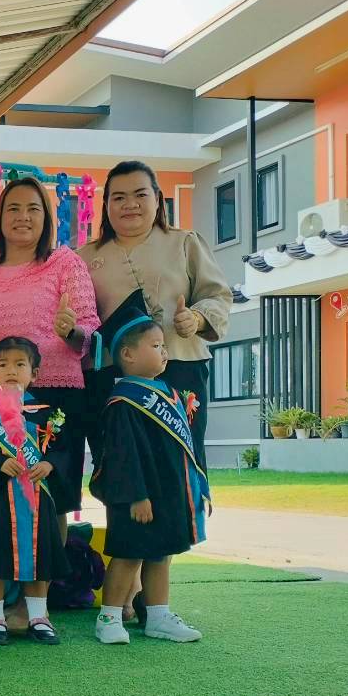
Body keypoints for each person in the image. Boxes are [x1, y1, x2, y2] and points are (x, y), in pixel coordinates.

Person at [0, 178, 99, 543]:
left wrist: (70, 330)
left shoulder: (65, 263)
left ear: (46, 218)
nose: (22, 217)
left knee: (51, 496)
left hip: (54, 394)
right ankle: (1, 577)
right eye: (13, 208)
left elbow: (89, 331)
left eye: (32, 209)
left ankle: (49, 576)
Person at [80, 160, 231, 471]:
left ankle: (187, 505)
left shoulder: (185, 242)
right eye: (119, 197)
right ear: (106, 205)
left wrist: (197, 318)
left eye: (140, 194)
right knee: (121, 466)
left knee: (180, 464)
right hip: (111, 375)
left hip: (178, 365)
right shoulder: (84, 257)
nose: (130, 204)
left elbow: (218, 295)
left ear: (158, 199)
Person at [89, 292, 208, 645]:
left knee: (161, 555)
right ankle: (109, 618)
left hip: (166, 493)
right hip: (137, 497)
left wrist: (196, 490)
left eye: (163, 345)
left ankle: (158, 616)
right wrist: (136, 496)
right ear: (127, 355)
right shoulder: (124, 402)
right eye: (156, 346)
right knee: (128, 555)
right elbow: (123, 456)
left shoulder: (167, 393)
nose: (164, 352)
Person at [0, 337, 71, 647]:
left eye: (20, 364)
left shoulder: (46, 414)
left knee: (39, 558)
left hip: (36, 503)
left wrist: (49, 464)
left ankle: (38, 617)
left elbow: (63, 451)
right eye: (2, 364)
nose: (11, 370)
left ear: (35, 374)